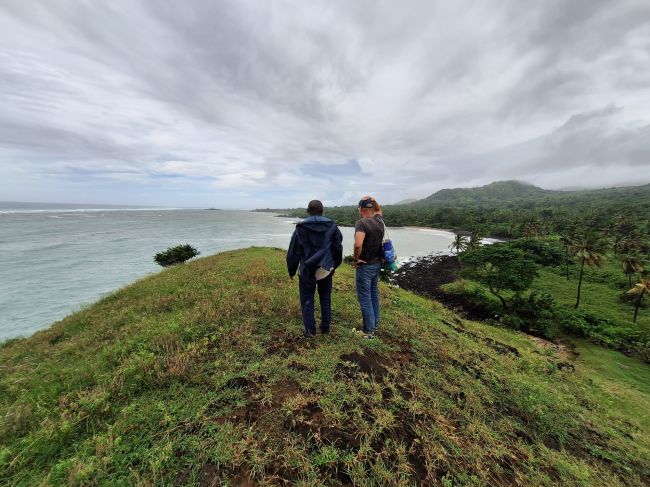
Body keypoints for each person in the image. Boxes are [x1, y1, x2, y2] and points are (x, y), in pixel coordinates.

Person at [287, 200, 343, 337]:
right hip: (325, 268)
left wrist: (292, 270)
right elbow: (337, 247)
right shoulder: (332, 226)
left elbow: (294, 251)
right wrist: (334, 265)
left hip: (307, 268)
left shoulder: (301, 228)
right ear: (322, 211)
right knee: (325, 298)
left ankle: (310, 330)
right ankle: (325, 327)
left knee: (307, 298)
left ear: (308, 211)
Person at [352, 195, 384, 339]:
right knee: (373, 294)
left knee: (365, 297)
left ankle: (368, 331)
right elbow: (379, 209)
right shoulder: (379, 220)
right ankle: (374, 323)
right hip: (377, 264)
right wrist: (373, 199)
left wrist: (356, 259)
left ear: (361, 209)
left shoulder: (362, 223)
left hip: (365, 266)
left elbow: (358, 244)